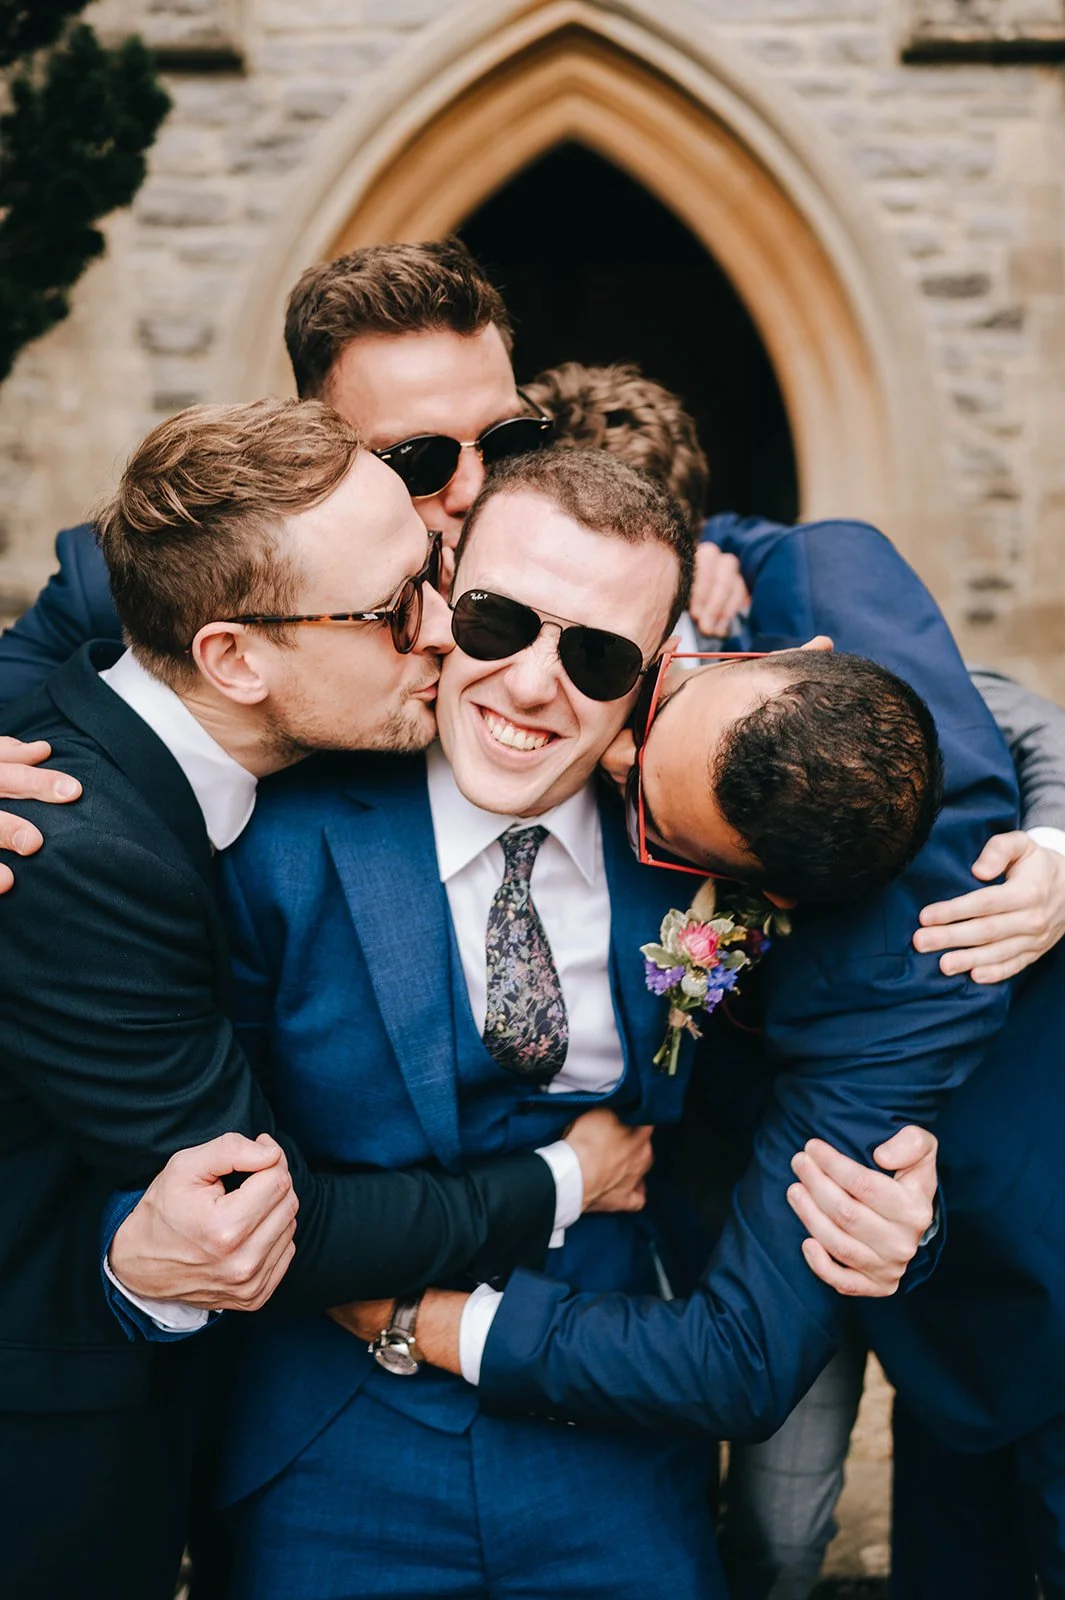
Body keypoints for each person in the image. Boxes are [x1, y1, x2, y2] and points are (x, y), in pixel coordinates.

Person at [181, 444, 982, 1600]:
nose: (533, 685)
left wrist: (904, 1216)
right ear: (443, 590)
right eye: (501, 619)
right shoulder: (272, 824)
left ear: (659, 669)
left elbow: (820, 1083)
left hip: (618, 1431)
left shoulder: (722, 832)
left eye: (599, 654)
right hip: (324, 1432)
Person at [0, 399, 656, 1600]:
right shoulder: (70, 853)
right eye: (393, 607)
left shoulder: (102, 745)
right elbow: (265, 1216)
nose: (446, 634)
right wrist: (572, 1176)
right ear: (234, 659)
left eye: (437, 576)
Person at [531, 356, 1065, 1597]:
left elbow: (1023, 719)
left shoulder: (812, 628)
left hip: (969, 1212)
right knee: (778, 1536)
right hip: (715, 1184)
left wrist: (1053, 849)